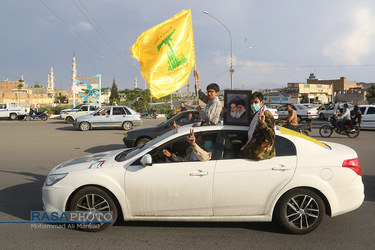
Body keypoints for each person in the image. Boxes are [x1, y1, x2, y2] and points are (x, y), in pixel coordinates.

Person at [241, 92, 275, 161]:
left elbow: (272, 137)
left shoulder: (266, 114)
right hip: (252, 152)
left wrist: (263, 123)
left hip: (261, 155)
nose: (253, 105)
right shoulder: (256, 114)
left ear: (262, 103)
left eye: (256, 102)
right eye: (251, 103)